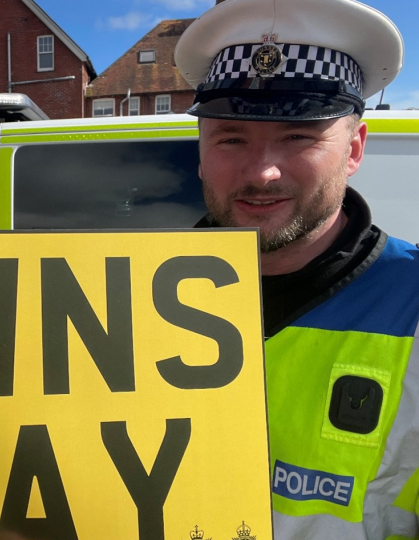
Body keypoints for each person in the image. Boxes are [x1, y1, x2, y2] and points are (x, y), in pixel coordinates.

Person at [174, 0, 419, 538]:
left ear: (354, 148)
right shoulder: (119, 296)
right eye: (231, 138)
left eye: (298, 136)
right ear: (200, 151)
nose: (262, 172)